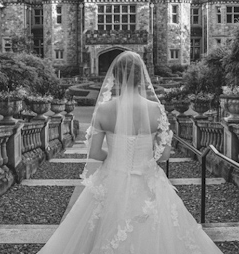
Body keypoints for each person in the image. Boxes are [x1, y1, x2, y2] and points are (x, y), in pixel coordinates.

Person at [38, 51, 222, 253]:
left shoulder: (103, 110)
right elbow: (165, 155)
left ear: (115, 77)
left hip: (112, 177)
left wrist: (112, 159)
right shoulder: (155, 109)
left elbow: (94, 151)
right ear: (141, 77)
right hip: (148, 180)